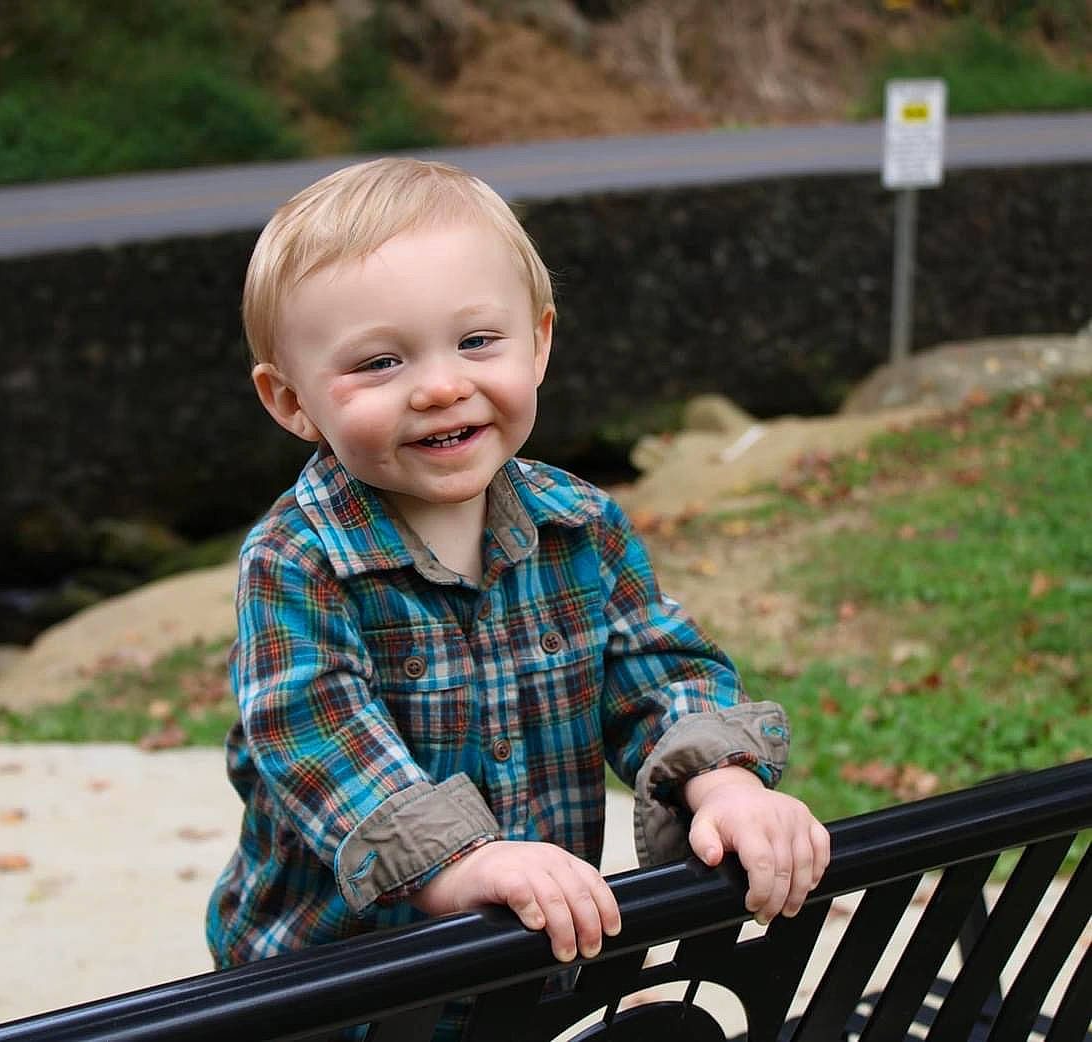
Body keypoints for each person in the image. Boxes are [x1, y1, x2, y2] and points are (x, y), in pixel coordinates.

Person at [206, 156, 830, 1035]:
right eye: (379, 362)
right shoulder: (296, 561)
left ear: (538, 341)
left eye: (475, 342)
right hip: (339, 990)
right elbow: (315, 735)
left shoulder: (578, 522)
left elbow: (656, 671)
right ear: (292, 401)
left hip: (534, 969)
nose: (439, 385)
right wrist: (463, 862)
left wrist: (722, 784)